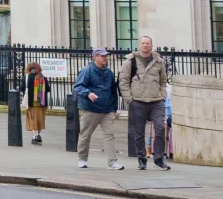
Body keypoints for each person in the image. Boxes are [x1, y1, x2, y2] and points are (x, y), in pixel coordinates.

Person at [119, 35, 170, 170]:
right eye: (143, 43)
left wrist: (162, 96)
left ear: (151, 46)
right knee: (139, 132)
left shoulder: (159, 61)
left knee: (160, 128)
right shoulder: (130, 61)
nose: (145, 45)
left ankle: (159, 158)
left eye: (148, 43)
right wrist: (130, 100)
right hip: (138, 101)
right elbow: (123, 82)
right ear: (139, 45)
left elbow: (163, 81)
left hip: (156, 101)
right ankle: (142, 159)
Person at [73, 48, 123, 169]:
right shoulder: (87, 70)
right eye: (102, 56)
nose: (105, 58)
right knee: (85, 134)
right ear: (94, 57)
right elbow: (78, 86)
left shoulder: (109, 72)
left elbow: (113, 91)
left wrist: (114, 108)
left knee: (110, 135)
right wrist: (88, 93)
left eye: (106, 56)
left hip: (107, 110)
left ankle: (112, 162)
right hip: (90, 109)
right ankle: (82, 159)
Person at [24, 60, 49, 146]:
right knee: (40, 119)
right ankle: (39, 134)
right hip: (42, 103)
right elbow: (48, 89)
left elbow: (22, 88)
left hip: (31, 103)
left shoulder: (27, 77)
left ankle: (34, 137)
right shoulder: (43, 77)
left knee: (32, 119)